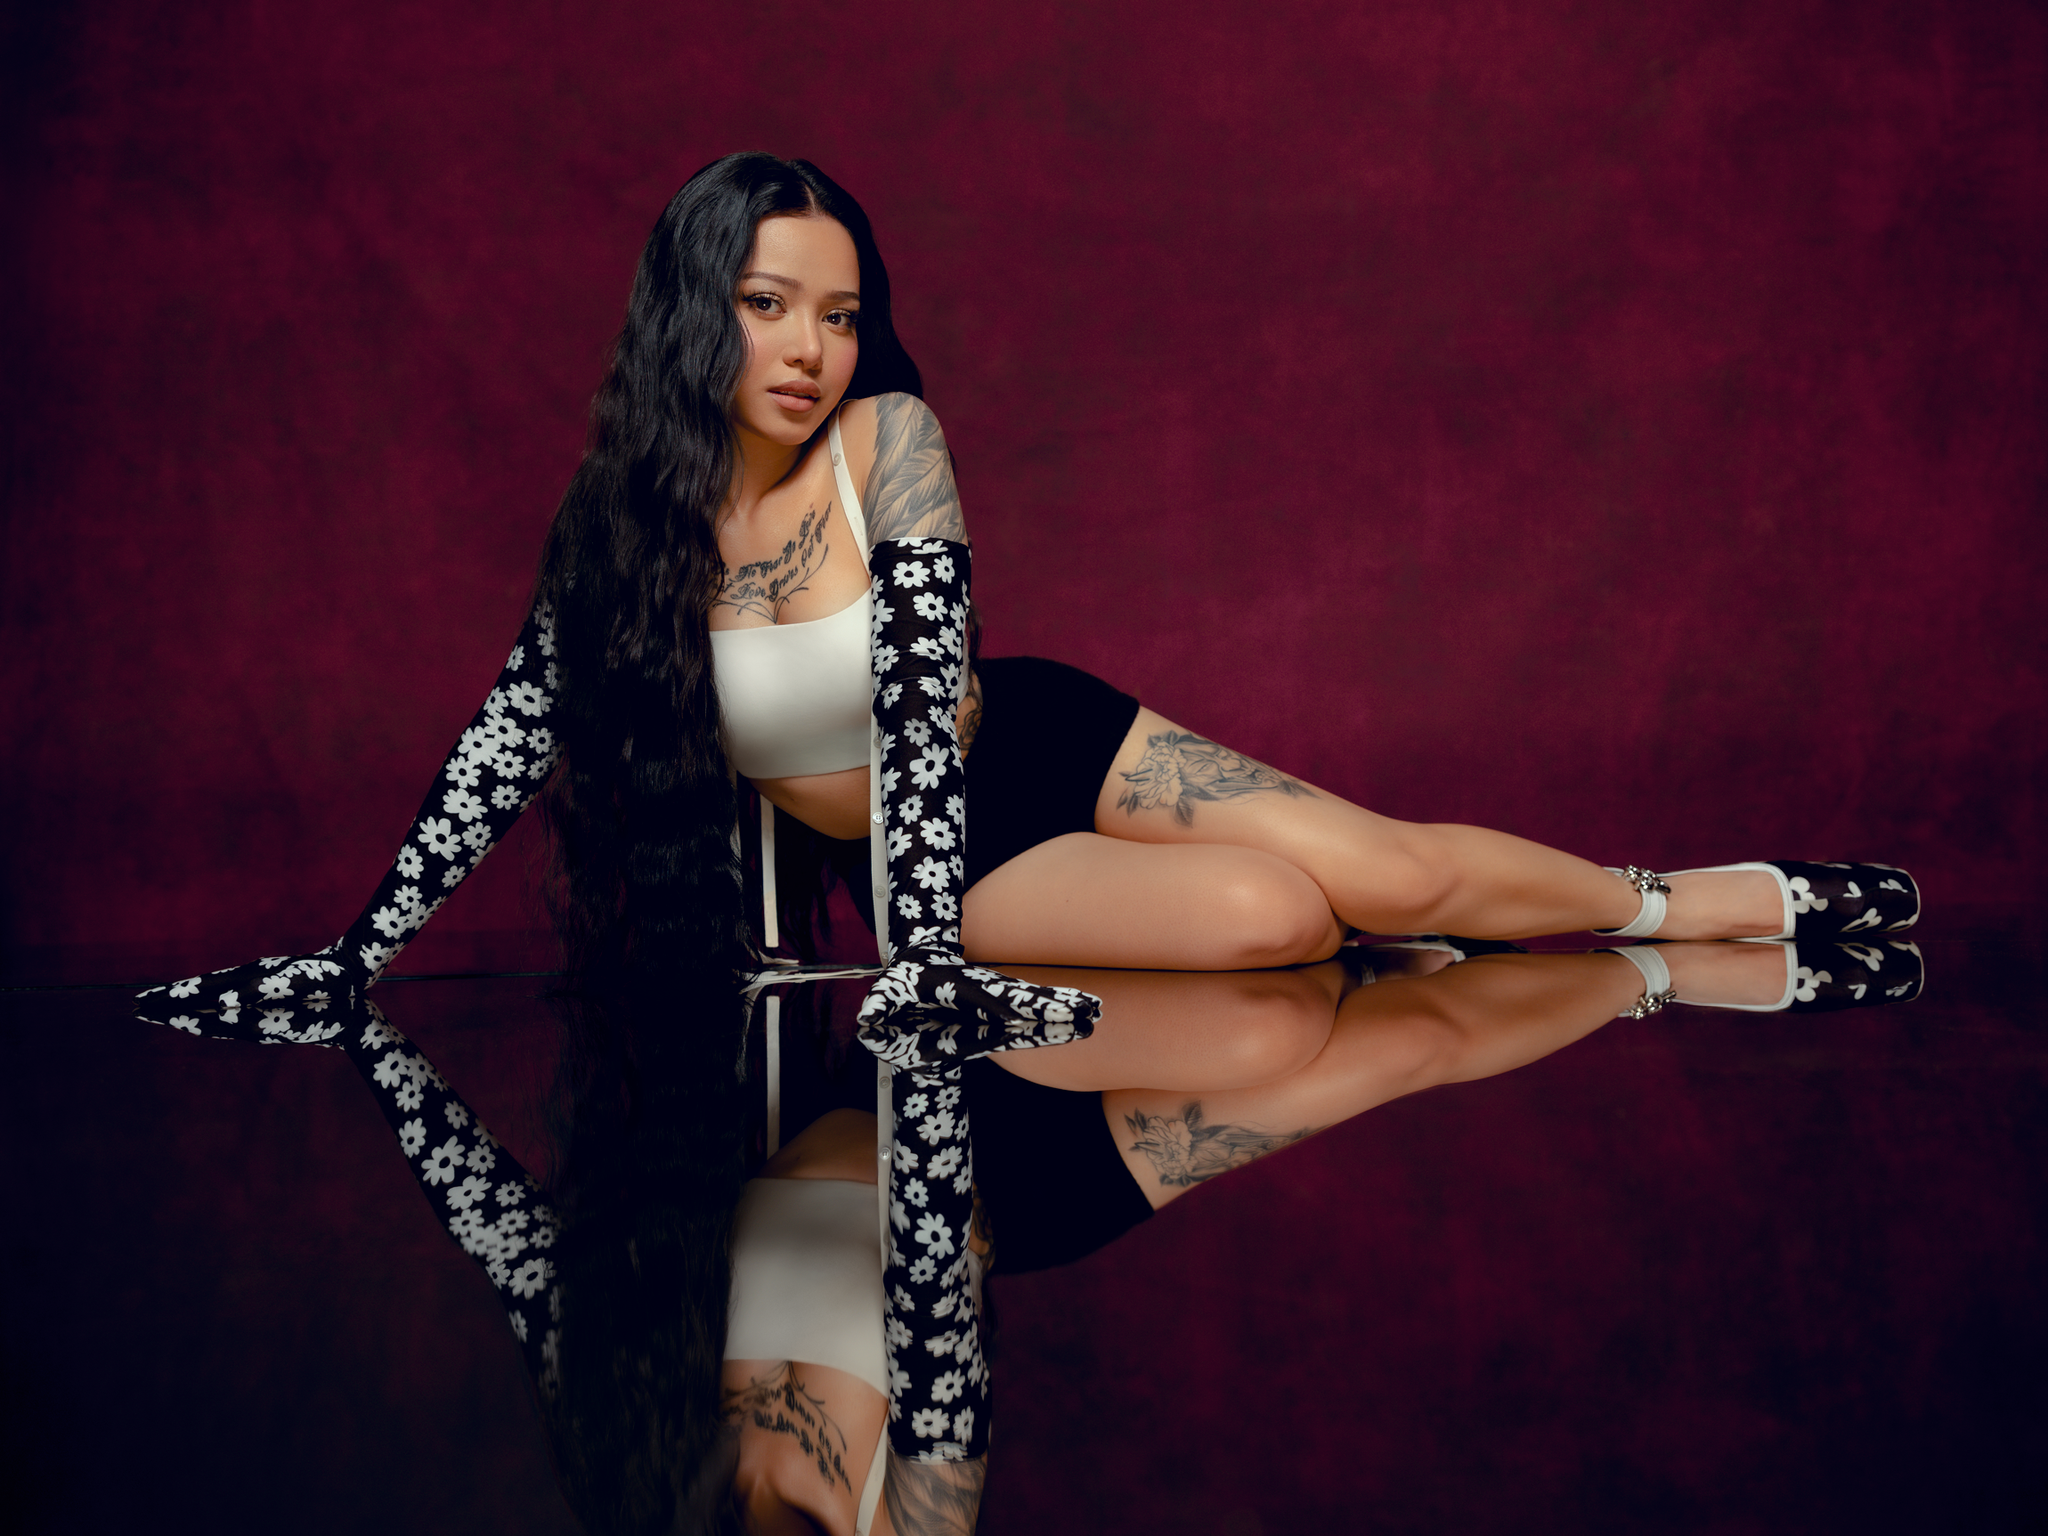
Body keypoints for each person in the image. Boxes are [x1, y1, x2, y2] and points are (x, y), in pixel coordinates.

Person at [134, 151, 1921, 1534]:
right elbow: (507, 737)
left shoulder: (889, 443)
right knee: (1275, 920)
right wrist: (354, 957)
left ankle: (1684, 906)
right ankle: (1468, 948)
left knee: (1385, 870)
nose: (810, 349)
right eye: (769, 305)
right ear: (693, 311)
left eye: (838, 313)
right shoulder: (619, 526)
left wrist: (922, 963)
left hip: (1033, 753)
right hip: (982, 974)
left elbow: (922, 719)